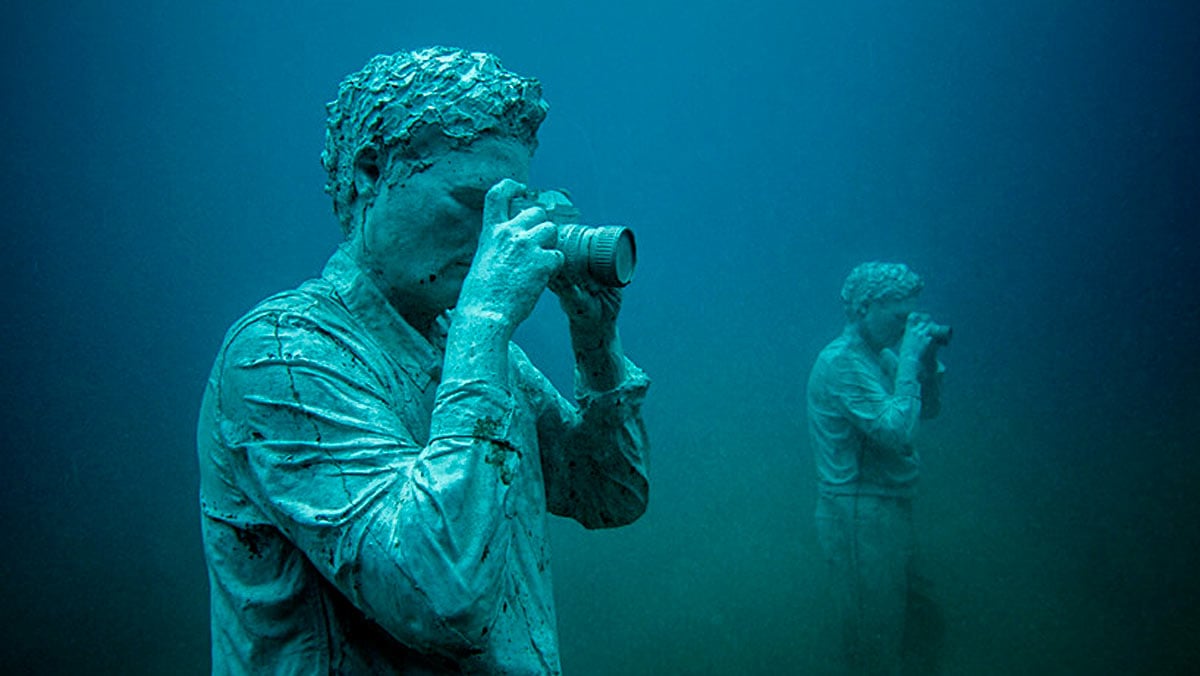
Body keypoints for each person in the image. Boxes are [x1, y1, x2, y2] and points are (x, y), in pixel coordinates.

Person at [196, 47, 651, 674]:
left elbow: (609, 494)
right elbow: (441, 599)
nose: (496, 235)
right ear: (369, 172)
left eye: (508, 209)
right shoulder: (279, 354)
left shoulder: (466, 348)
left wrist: (595, 343)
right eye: (471, 204)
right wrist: (485, 322)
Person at [806, 262, 946, 676]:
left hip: (886, 509)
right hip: (857, 513)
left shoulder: (877, 356)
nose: (906, 326)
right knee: (874, 641)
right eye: (898, 316)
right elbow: (897, 431)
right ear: (864, 308)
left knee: (921, 623)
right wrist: (906, 365)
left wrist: (926, 364)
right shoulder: (842, 362)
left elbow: (928, 411)